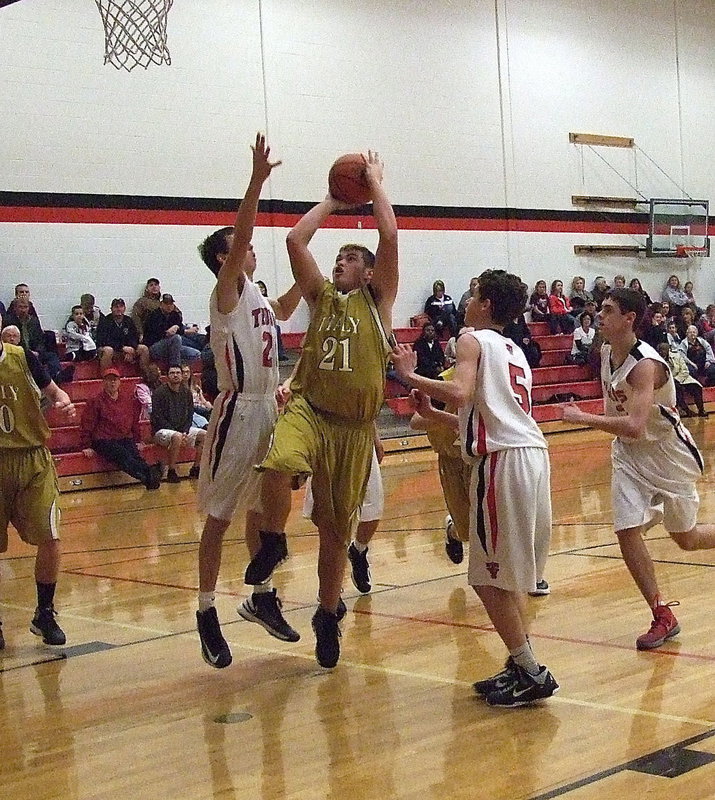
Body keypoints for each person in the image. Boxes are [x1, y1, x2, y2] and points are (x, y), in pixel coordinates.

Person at [250, 149, 398, 669]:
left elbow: (390, 237)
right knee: (278, 463)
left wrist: (374, 183)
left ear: (369, 272)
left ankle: (327, 614)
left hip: (354, 429)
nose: (339, 263)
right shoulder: (320, 297)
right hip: (311, 410)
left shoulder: (376, 302)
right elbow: (294, 240)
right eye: (337, 258)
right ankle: (271, 543)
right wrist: (333, 201)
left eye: (350, 259)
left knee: (336, 534)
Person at [392, 269, 557, 707]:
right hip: (531, 457)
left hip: (502, 464)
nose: (467, 299)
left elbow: (461, 391)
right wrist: (432, 411)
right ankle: (518, 664)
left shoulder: (471, 340)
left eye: (474, 294)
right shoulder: (514, 351)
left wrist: (411, 376)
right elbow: (483, 416)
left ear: (485, 305)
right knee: (509, 574)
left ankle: (531, 669)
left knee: (487, 576)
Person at [194, 134, 303, 668]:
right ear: (226, 257)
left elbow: (285, 306)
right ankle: (206, 610)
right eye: (243, 249)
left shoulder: (256, 294)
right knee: (219, 515)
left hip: (269, 406)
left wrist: (308, 269)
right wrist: (257, 182)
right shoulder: (227, 289)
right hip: (237, 408)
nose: (252, 252)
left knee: (265, 510)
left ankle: (262, 598)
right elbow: (242, 236)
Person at [563, 288, 715, 650]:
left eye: (608, 309)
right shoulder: (604, 351)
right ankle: (662, 612)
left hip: (666, 455)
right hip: (630, 455)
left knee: (687, 539)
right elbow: (628, 433)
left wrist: (584, 417)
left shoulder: (645, 365)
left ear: (629, 319)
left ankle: (660, 516)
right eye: (600, 308)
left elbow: (634, 424)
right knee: (626, 529)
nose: (600, 314)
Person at [0, 311, 76, 649]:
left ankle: (44, 613)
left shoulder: (22, 357)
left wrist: (62, 401)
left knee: (51, 537)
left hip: (32, 458)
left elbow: (54, 392)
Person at [80, 368, 162, 490]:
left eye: (115, 380)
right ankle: (151, 473)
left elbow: (134, 421)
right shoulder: (95, 401)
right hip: (104, 439)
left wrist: (137, 439)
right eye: (109, 380)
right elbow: (87, 423)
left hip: (125, 437)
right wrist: (86, 444)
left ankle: (148, 478)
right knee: (123, 456)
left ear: (119, 382)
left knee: (135, 455)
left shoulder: (127, 400)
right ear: (103, 382)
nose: (112, 383)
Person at [150, 364, 205, 483]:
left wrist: (185, 431)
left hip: (181, 431)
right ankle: (171, 470)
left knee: (205, 435)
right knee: (177, 437)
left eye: (178, 373)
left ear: (182, 376)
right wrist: (178, 432)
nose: (175, 375)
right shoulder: (159, 393)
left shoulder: (186, 392)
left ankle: (196, 467)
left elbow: (190, 415)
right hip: (161, 431)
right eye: (172, 373)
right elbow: (157, 418)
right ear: (167, 376)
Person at [143, 294, 200, 367]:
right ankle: (174, 367)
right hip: (155, 346)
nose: (169, 306)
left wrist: (179, 328)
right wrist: (167, 332)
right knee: (176, 338)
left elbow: (180, 328)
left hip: (173, 346)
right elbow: (152, 335)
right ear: (161, 304)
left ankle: (183, 370)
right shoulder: (153, 315)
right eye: (166, 304)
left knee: (196, 354)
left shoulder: (175, 315)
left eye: (171, 303)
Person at [95, 298, 150, 375]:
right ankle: (105, 376)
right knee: (108, 350)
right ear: (111, 309)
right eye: (116, 307)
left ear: (124, 308)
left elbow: (134, 337)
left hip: (127, 349)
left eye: (121, 306)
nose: (118, 309)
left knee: (143, 348)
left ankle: (145, 375)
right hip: (113, 350)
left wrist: (131, 348)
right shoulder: (105, 321)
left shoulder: (128, 320)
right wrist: (122, 348)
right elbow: (103, 340)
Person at [656, 343, 707, 418]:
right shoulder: (657, 360)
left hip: (683, 378)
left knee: (696, 387)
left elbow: (685, 370)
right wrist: (672, 380)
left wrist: (677, 379)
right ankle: (686, 410)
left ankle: (701, 410)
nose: (661, 352)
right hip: (669, 381)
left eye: (663, 349)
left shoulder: (676, 356)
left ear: (668, 350)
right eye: (660, 350)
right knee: (677, 389)